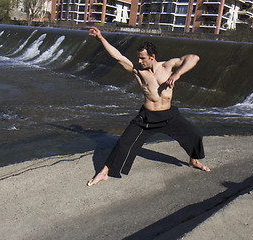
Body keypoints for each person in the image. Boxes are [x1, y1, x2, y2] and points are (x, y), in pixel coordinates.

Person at [87, 26, 210, 186]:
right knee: (124, 143)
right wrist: (101, 38)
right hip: (147, 118)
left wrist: (177, 73)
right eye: (138, 58)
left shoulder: (168, 66)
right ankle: (104, 173)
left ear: (152, 57)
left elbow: (194, 57)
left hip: (169, 116)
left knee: (195, 135)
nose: (139, 61)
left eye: (142, 58)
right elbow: (118, 56)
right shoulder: (138, 71)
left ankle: (193, 161)